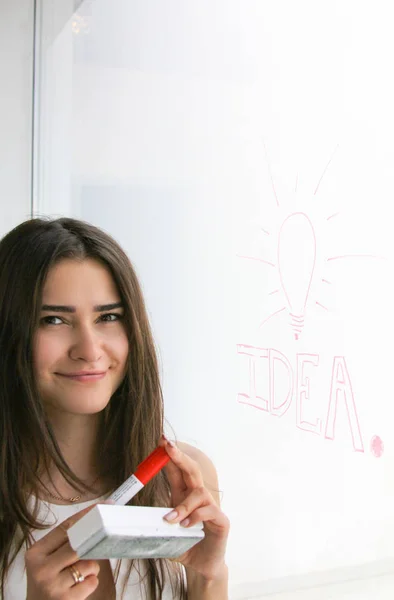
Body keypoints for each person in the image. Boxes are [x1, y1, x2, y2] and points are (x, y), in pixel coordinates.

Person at [0, 217, 230, 599]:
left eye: (108, 317)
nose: (89, 351)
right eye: (53, 320)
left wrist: (209, 577)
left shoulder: (186, 478)